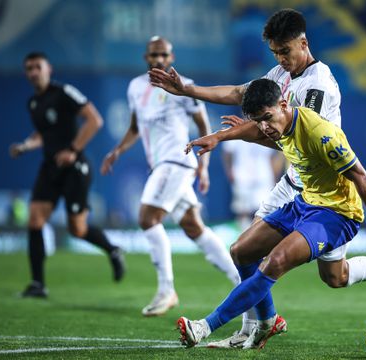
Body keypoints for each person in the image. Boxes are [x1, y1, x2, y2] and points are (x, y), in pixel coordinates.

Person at [176, 79, 366, 349]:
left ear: (284, 105)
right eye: (258, 121)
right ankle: (268, 321)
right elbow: (261, 130)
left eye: (267, 118)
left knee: (275, 261)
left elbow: (362, 177)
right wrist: (219, 136)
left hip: (337, 212)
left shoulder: (321, 133)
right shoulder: (278, 124)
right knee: (247, 253)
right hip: (306, 203)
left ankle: (205, 326)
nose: (264, 127)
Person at [149, 8, 342, 348]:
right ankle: (258, 325)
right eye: (275, 53)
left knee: (335, 276)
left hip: (326, 193)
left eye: (285, 51)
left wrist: (230, 136)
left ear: (304, 43)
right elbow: (240, 93)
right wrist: (188, 89)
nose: (281, 59)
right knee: (244, 252)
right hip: (292, 183)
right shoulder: (281, 74)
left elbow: (287, 134)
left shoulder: (319, 86)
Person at [100, 36, 240, 316]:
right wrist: (117, 151)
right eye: (154, 55)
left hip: (178, 160)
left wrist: (203, 165)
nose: (159, 59)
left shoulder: (182, 86)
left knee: (147, 218)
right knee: (193, 226)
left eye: (163, 55)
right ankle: (242, 279)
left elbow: (203, 125)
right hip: (163, 164)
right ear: (146, 58)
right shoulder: (135, 88)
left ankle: (166, 290)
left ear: (171, 57)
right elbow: (135, 127)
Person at [9, 52, 125, 298]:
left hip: (75, 168)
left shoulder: (63, 92)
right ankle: (38, 284)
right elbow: (43, 134)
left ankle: (113, 249)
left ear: (48, 68)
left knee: (78, 229)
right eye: (28, 68)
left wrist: (73, 149)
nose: (33, 72)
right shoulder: (33, 103)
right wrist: (25, 146)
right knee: (34, 221)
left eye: (37, 67)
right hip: (50, 168)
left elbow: (94, 119)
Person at [222, 140, 283, 230]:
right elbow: (227, 152)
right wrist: (229, 170)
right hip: (242, 176)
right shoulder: (236, 129)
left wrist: (274, 174)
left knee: (265, 211)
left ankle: (260, 238)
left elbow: (275, 155)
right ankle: (243, 239)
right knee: (243, 212)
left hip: (263, 177)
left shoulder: (266, 129)